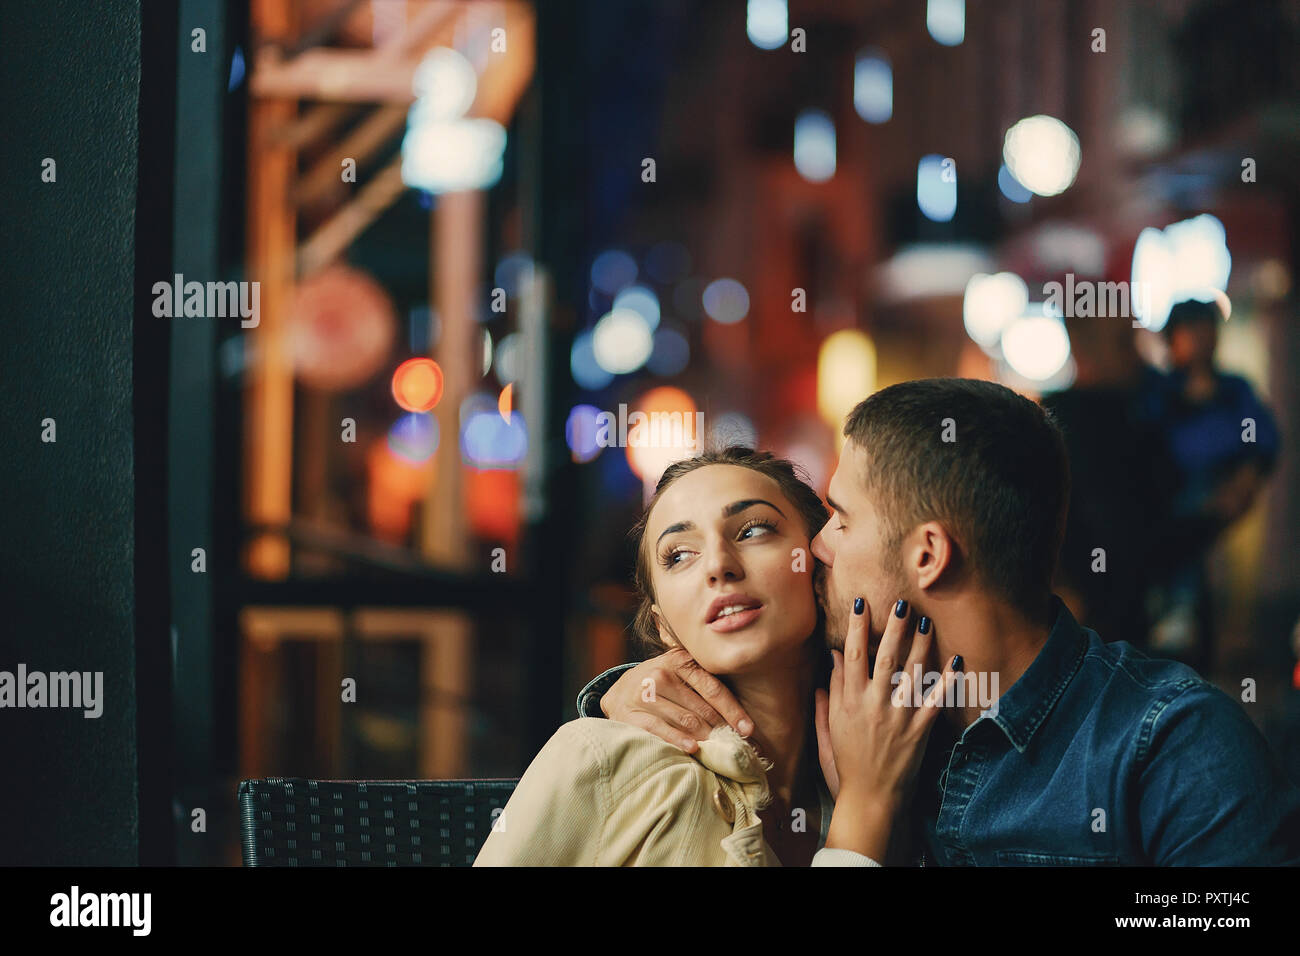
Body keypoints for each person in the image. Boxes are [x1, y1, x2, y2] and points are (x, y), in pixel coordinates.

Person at [580, 378, 1300, 864]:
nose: (816, 546)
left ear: (928, 556)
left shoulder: (1171, 744)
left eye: (840, 517)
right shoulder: (840, 698)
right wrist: (629, 688)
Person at [475, 447, 952, 866]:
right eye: (679, 555)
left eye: (753, 530)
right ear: (663, 625)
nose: (719, 565)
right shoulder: (603, 759)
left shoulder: (903, 752)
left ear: (818, 562)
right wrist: (866, 811)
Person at [1137, 298, 1281, 671]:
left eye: (1208, 330)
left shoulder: (1234, 390)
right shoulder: (1157, 392)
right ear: (1173, 337)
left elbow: (1262, 439)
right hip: (1173, 514)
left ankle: (1232, 642)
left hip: (1227, 508)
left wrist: (1244, 478)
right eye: (1192, 330)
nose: (1202, 339)